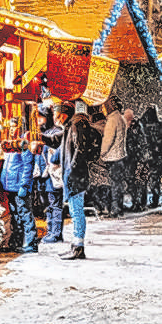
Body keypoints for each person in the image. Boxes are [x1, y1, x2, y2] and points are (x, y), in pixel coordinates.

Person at [59, 100, 99, 260]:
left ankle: (78, 247)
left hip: (76, 175)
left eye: (56, 113)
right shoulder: (72, 126)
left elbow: (79, 149)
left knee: (76, 211)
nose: (55, 117)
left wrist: (72, 170)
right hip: (76, 174)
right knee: (75, 210)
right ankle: (76, 245)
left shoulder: (77, 125)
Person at [40, 104, 72, 243]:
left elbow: (56, 153)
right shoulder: (53, 131)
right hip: (50, 175)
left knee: (55, 204)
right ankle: (52, 232)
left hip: (54, 175)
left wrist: (52, 159)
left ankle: (55, 233)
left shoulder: (58, 132)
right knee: (52, 204)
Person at [1, 140, 38, 253]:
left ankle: (31, 243)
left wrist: (24, 185)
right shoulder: (11, 154)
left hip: (19, 188)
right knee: (15, 216)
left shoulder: (25, 153)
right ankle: (17, 242)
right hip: (11, 187)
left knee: (25, 214)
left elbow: (28, 169)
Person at [141, 105, 162, 208]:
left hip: (146, 156)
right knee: (155, 179)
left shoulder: (143, 126)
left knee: (144, 178)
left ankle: (142, 201)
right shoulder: (161, 126)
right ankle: (155, 199)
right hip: (158, 156)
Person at [125, 108, 150, 211]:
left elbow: (132, 145)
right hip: (141, 159)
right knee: (140, 182)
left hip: (136, 160)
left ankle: (138, 204)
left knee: (136, 182)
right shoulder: (139, 127)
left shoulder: (134, 128)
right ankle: (141, 203)